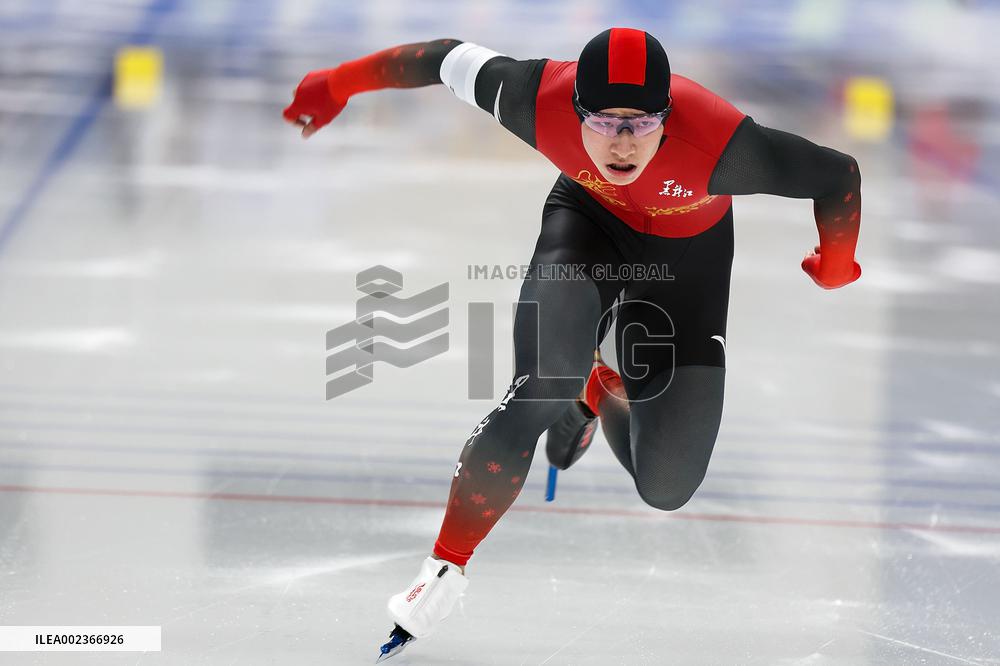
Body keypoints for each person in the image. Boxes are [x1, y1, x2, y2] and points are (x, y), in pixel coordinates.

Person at [283, 28, 862, 661]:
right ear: (573, 108)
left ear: (668, 118)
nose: (621, 142)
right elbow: (439, 59)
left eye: (640, 124)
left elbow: (837, 175)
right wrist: (336, 83)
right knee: (538, 390)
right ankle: (442, 571)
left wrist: (838, 261)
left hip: (688, 263)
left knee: (665, 487)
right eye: (602, 121)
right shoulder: (534, 96)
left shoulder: (725, 146)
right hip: (586, 229)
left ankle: (599, 384)